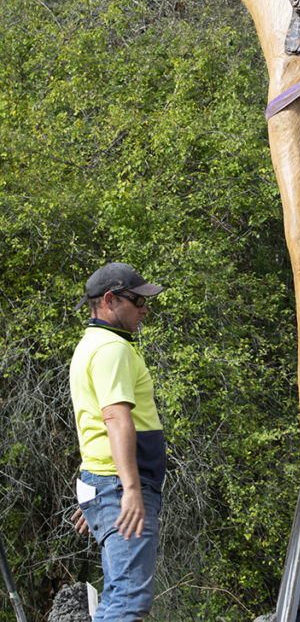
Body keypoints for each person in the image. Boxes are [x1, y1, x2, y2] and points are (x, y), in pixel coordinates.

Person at [69, 262, 166, 622]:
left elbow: (91, 425)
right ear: (109, 300)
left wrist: (97, 499)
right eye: (137, 301)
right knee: (129, 600)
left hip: (105, 483)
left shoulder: (92, 345)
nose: (144, 310)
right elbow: (114, 418)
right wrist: (126, 490)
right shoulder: (112, 349)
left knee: (119, 594)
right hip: (119, 483)